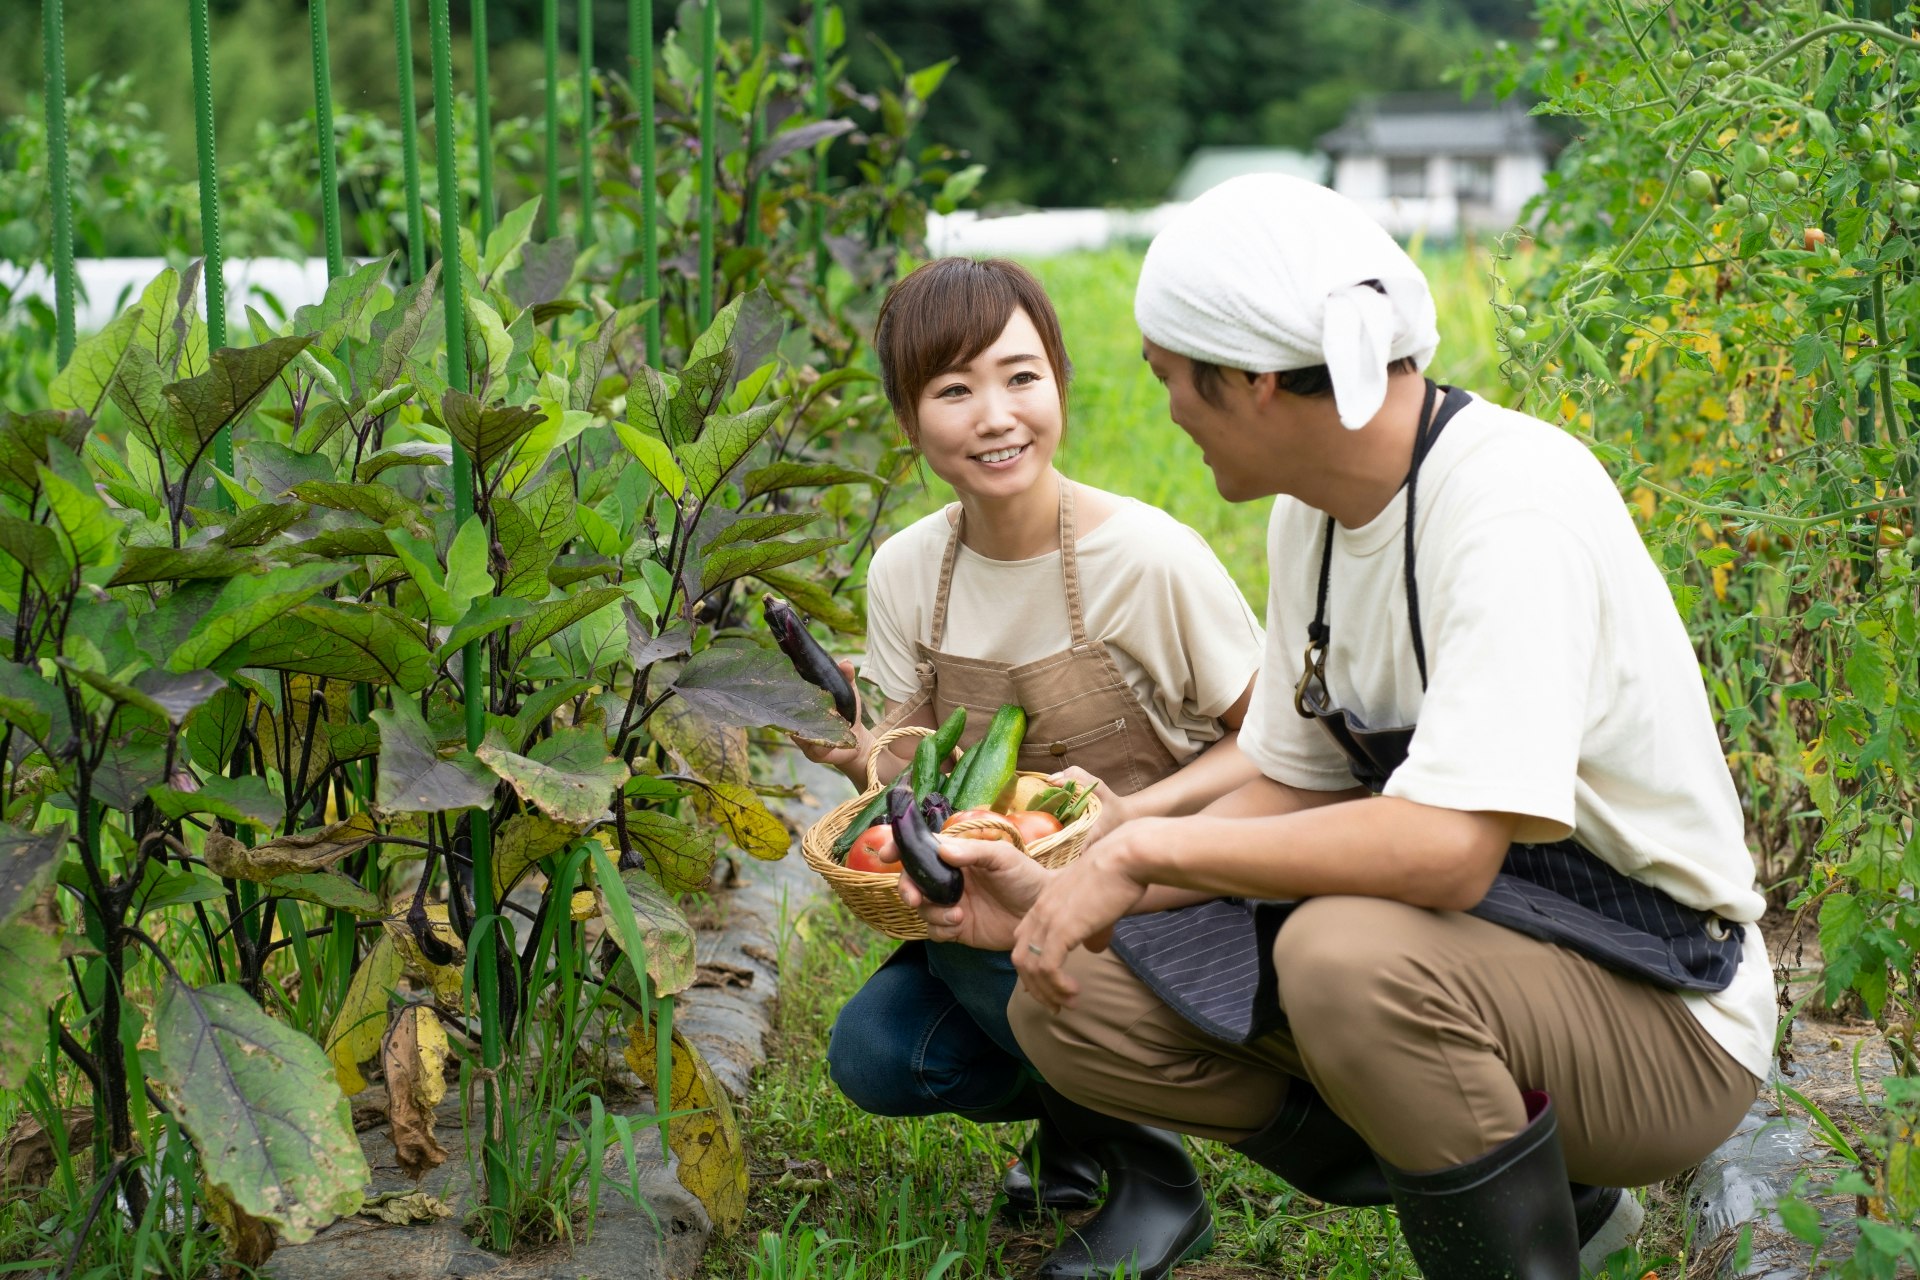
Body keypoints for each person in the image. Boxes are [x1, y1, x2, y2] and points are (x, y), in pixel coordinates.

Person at [898, 177, 1775, 1280]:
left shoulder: (1509, 510)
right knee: (1072, 1008)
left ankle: (1530, 1254)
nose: (1166, 405)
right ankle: (1552, 1195)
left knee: (1341, 958)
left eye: (1172, 378)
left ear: (1256, 383)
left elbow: (1445, 852)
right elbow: (1289, 782)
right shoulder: (1311, 515)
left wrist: (1145, 847)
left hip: (1665, 1003)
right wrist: (1071, 878)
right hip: (1495, 962)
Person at [799, 256, 1265, 1278]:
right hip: (1005, 906)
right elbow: (906, 768)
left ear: (1059, 380)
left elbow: (1275, 739)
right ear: (910, 419)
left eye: (1020, 376)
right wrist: (849, 742)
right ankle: (1077, 1125)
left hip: (1165, 899)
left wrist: (1133, 812)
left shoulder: (1146, 557)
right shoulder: (908, 570)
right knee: (879, 1053)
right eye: (953, 389)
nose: (995, 414)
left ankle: (1157, 1181)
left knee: (985, 931)